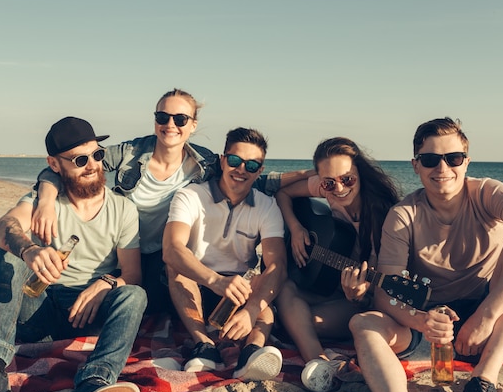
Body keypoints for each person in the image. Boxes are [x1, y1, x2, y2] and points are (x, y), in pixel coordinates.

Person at [32, 88, 311, 315]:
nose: (170, 125)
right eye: (163, 117)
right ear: (155, 120)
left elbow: (253, 176)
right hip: (122, 250)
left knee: (153, 305)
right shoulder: (130, 152)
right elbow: (78, 164)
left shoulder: (205, 162)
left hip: (160, 255)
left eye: (180, 119)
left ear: (192, 125)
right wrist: (45, 199)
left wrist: (313, 173)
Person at [349, 117, 503, 392]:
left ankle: (483, 382)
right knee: (363, 323)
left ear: (466, 162)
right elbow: (386, 294)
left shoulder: (487, 193)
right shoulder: (403, 216)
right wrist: (424, 321)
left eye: (453, 158)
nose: (443, 168)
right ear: (416, 165)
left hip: (493, 327)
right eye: (431, 159)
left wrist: (486, 315)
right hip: (432, 329)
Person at [0, 117, 147, 392]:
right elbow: (1, 227)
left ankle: (94, 382)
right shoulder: (42, 201)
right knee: (9, 251)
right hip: (38, 306)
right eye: (80, 159)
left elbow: (132, 274)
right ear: (54, 165)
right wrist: (29, 250)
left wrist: (106, 284)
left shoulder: (123, 208)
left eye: (97, 154)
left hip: (87, 312)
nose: (92, 165)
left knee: (135, 295)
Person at [274, 137, 401, 392]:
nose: (339, 188)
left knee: (300, 321)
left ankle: (316, 359)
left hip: (361, 301)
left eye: (348, 179)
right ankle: (320, 362)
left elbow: (379, 296)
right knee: (284, 288)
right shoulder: (327, 188)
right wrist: (297, 230)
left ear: (360, 174)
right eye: (329, 182)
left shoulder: (383, 218)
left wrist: (357, 295)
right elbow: (283, 193)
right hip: (330, 285)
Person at [162, 127, 287, 381]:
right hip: (198, 280)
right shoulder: (191, 196)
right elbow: (172, 249)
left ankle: (252, 352)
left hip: (238, 288)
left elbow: (277, 265)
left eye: (251, 165)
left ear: (260, 170)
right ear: (222, 160)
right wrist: (215, 281)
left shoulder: (267, 205)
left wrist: (251, 311)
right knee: (176, 265)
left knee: (263, 281)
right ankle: (204, 345)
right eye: (234, 160)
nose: (241, 169)